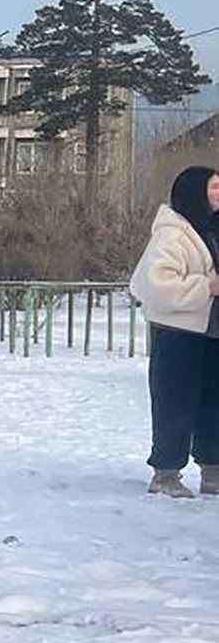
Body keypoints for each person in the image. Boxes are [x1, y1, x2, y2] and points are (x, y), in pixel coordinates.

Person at [128, 167, 219, 497]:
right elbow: (152, 285)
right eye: (214, 187)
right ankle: (166, 474)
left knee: (214, 404)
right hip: (179, 334)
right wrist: (207, 286)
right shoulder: (172, 234)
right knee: (175, 403)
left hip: (213, 331)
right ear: (195, 193)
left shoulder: (212, 228)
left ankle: (213, 470)